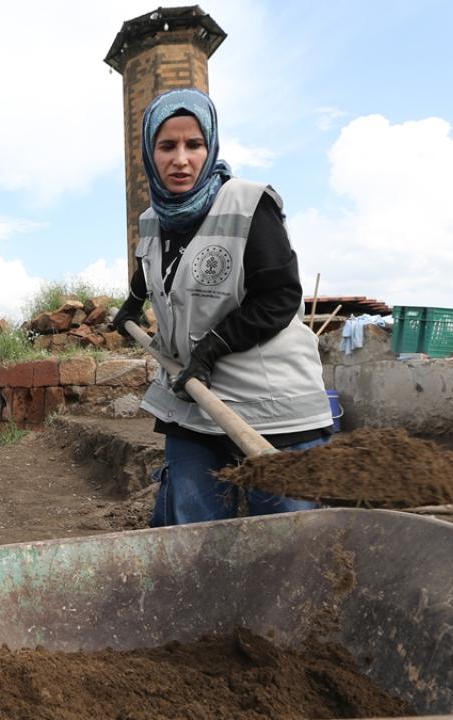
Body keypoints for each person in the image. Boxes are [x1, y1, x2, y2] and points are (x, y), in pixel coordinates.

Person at [111, 88, 332, 526]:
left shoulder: (248, 205)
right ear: (149, 153)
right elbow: (152, 265)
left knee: (289, 541)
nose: (181, 160)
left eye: (193, 145)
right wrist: (133, 303)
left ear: (210, 146)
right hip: (193, 402)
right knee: (193, 533)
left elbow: (280, 296)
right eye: (167, 146)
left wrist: (212, 348)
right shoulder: (153, 219)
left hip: (273, 408)